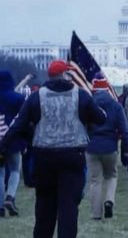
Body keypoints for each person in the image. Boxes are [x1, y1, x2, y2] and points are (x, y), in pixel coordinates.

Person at [0, 60, 106, 238]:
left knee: (45, 207)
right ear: (66, 74)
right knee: (68, 207)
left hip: (45, 157)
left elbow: (18, 125)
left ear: (49, 76)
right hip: (72, 156)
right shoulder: (80, 96)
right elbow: (100, 119)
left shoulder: (36, 97)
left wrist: (3, 146)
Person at [86, 73, 128, 220]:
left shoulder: (88, 104)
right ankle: (109, 201)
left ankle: (96, 213)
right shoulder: (116, 105)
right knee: (111, 176)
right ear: (107, 89)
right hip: (110, 146)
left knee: (95, 180)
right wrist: (127, 147)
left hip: (92, 146)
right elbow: (124, 129)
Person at [0, 70, 25, 217]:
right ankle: (10, 197)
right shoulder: (18, 98)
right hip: (14, 140)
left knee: (0, 172)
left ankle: (0, 207)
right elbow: (23, 120)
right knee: (15, 170)